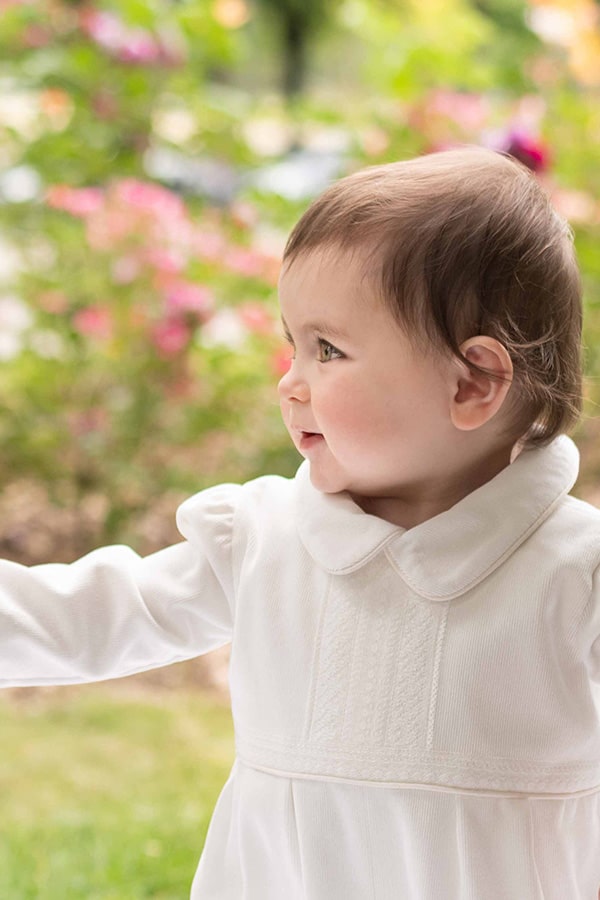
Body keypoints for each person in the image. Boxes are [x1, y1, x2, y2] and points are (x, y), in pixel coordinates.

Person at [1, 146, 599, 900]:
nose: (290, 383)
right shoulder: (263, 539)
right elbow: (93, 614)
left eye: (327, 350)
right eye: (293, 345)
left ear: (472, 381)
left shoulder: (573, 570)